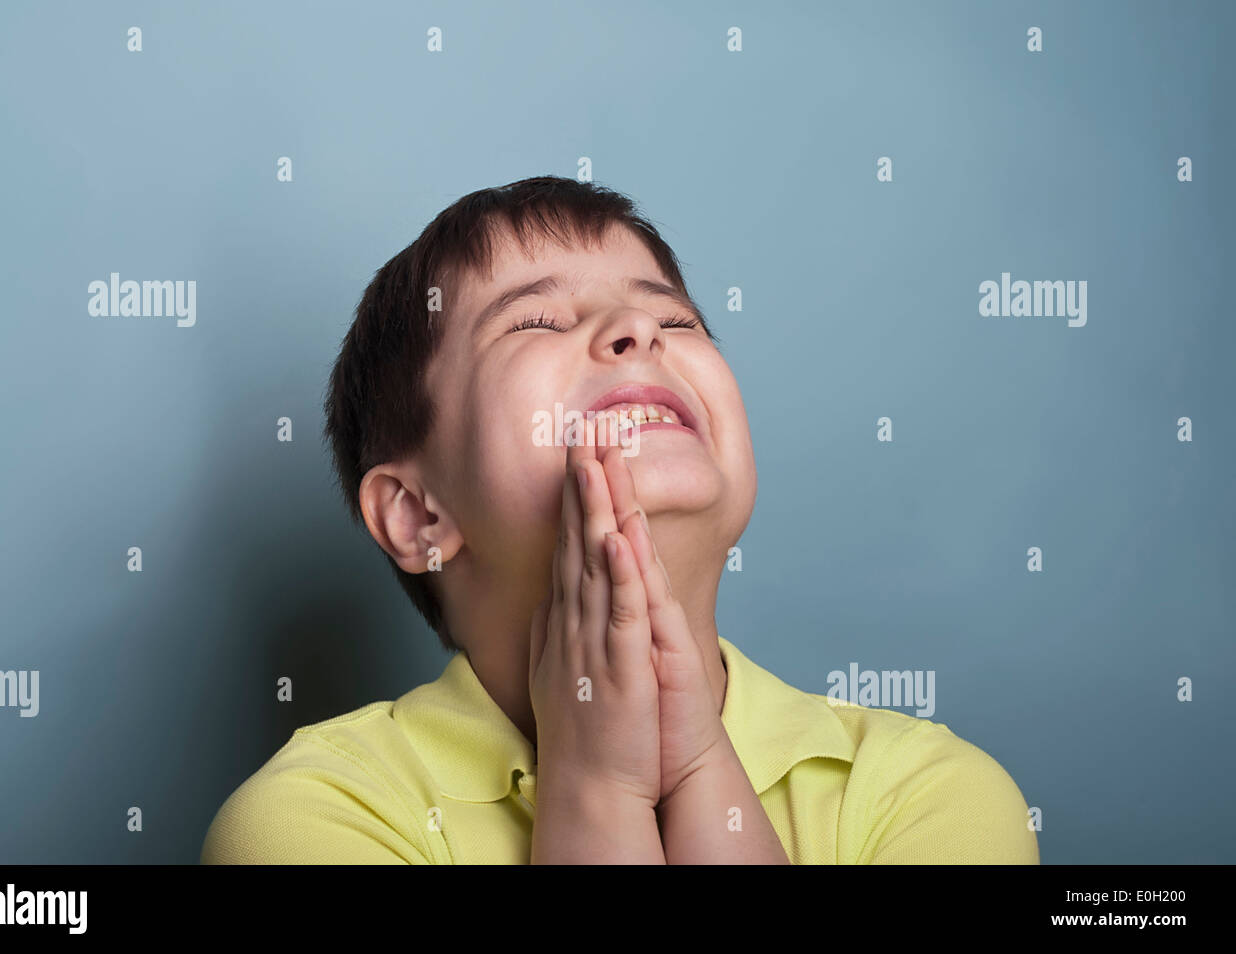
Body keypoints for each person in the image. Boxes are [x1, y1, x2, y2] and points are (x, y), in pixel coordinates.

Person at [200, 176, 1040, 864]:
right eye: (536, 321)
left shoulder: (926, 791)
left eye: (676, 320)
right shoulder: (314, 818)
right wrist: (596, 787)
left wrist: (701, 765)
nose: (640, 329)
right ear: (419, 514)